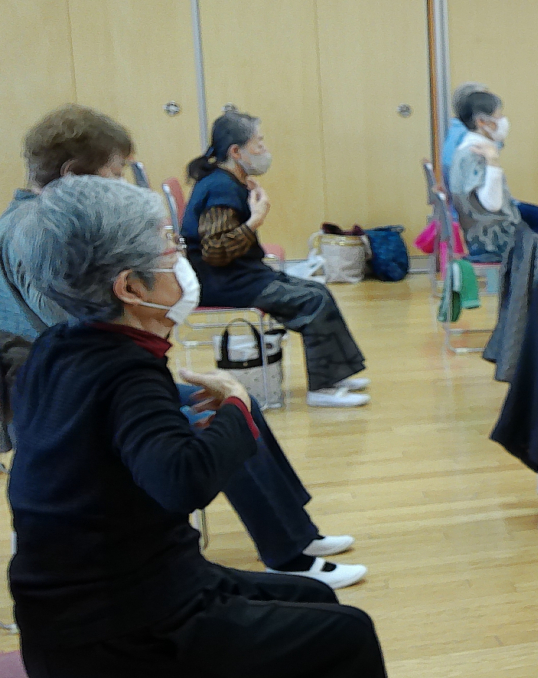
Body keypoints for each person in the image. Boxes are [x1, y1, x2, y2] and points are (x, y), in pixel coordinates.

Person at [7, 175, 443, 678]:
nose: (179, 259)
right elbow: (181, 480)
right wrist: (238, 404)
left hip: (93, 617)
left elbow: (107, 445)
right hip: (120, 636)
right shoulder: (127, 372)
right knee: (344, 635)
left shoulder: (59, 348)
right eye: (167, 250)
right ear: (130, 286)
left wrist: (180, 408)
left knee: (312, 600)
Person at [0, 106, 364, 589]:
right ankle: (289, 552)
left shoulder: (45, 219)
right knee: (214, 411)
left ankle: (296, 534)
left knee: (236, 403)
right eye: (115, 173)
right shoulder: (34, 229)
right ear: (72, 174)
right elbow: (80, 324)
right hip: (62, 401)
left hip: (78, 383)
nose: (121, 185)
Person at [180, 111, 371, 409]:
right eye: (259, 143)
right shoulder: (220, 187)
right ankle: (322, 389)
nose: (265, 149)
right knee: (312, 301)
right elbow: (215, 251)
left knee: (318, 290)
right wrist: (255, 220)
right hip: (223, 282)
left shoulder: (228, 181)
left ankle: (335, 376)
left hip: (240, 274)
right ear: (236, 151)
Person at [446, 88, 538, 259]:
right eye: (499, 115)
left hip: (485, 233)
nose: (503, 121)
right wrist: (493, 162)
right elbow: (492, 204)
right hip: (494, 240)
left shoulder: (467, 147)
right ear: (481, 121)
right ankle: (529, 272)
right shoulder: (475, 154)